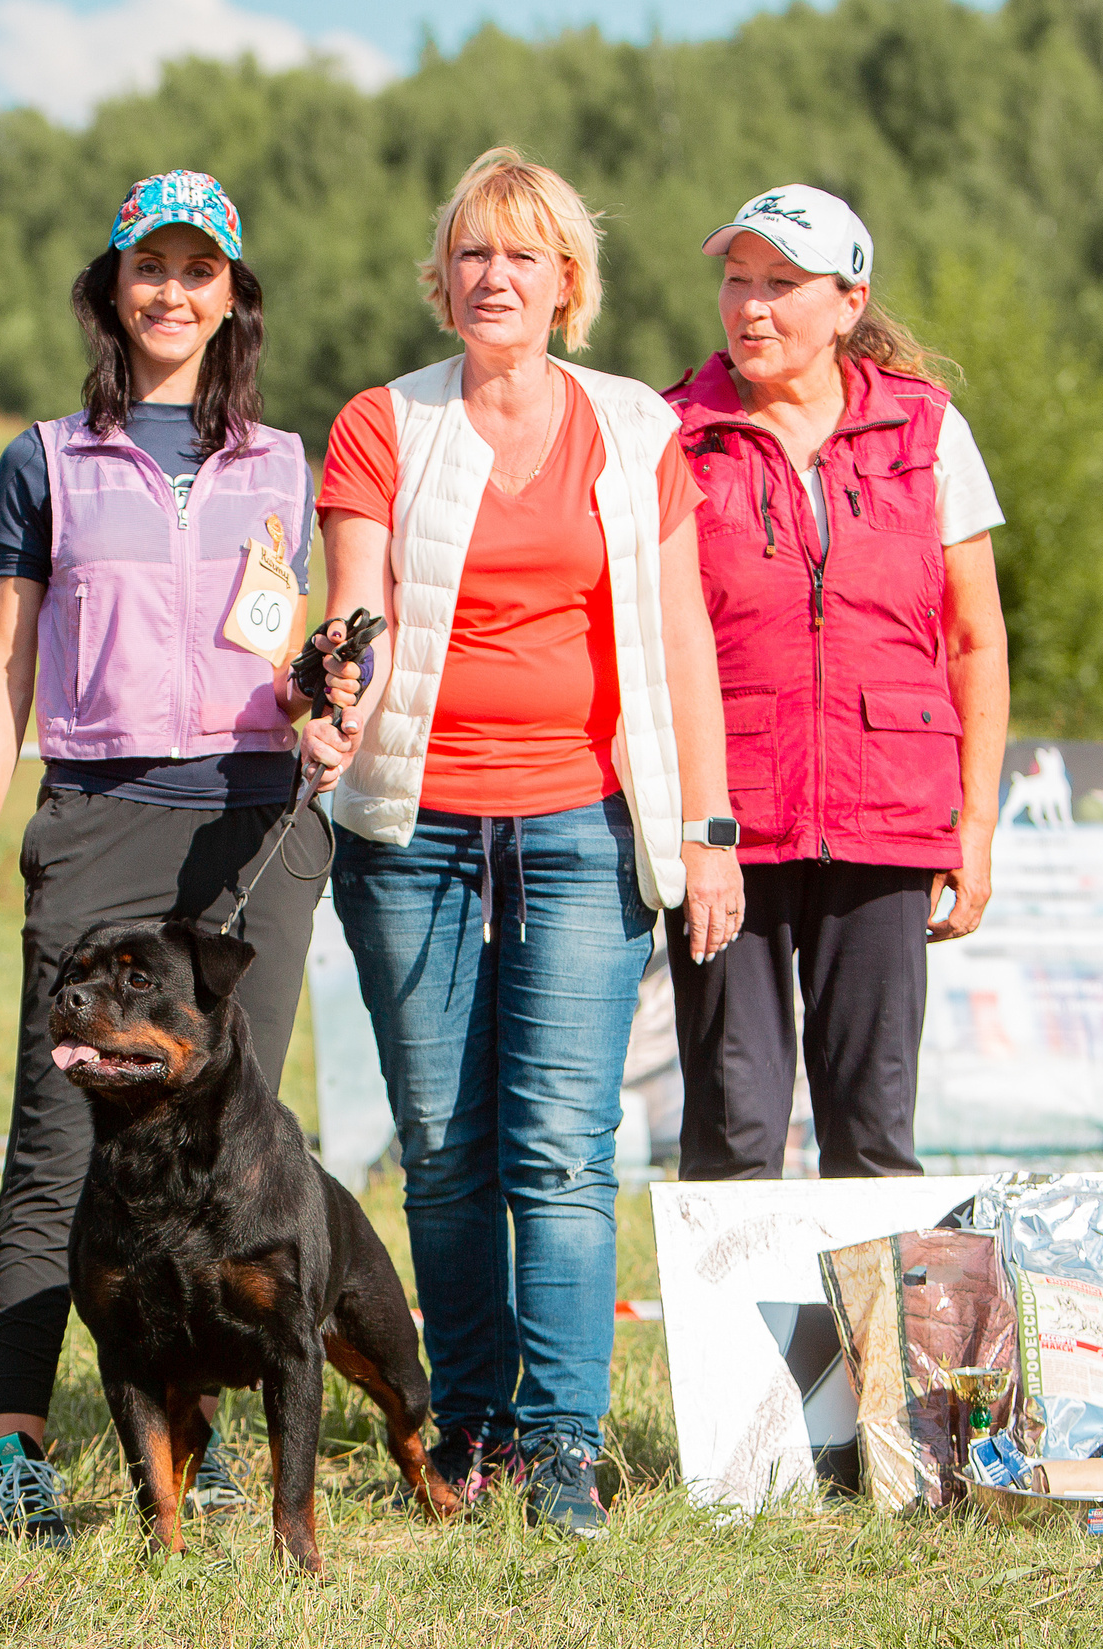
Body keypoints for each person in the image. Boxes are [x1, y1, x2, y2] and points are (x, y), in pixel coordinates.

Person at [301, 147, 743, 1540]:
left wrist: (709, 829)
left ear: (570, 283)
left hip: (578, 817)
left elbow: (682, 639)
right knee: (441, 1142)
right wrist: (329, 705)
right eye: (476, 254)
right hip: (410, 823)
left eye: (527, 254)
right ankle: (470, 1420)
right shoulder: (383, 423)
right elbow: (357, 610)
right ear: (445, 281)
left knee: (559, 1144)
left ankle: (564, 1439)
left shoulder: (636, 431)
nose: (498, 276)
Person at [0, 169, 337, 1547]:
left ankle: (199, 1437)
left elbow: (295, 657)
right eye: (148, 267)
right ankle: (16, 1448)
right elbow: (2, 665)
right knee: (61, 1145)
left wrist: (323, 714)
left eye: (199, 269)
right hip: (100, 815)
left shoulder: (289, 462)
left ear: (235, 296)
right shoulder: (44, 460)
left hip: (255, 822)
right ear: (112, 288)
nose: (173, 291)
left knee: (237, 1152)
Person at [662, 184, 1011, 1182]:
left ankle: (874, 1348)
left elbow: (976, 640)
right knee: (732, 1136)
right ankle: (745, 1348)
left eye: (781, 283)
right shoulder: (671, 432)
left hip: (889, 821)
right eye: (736, 280)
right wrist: (693, 829)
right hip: (732, 831)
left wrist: (973, 827)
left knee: (871, 1133)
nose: (750, 306)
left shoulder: (930, 430)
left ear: (848, 302)